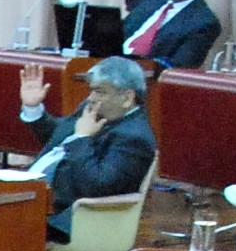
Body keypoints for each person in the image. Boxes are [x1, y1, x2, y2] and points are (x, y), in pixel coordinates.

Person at [14, 54, 156, 238]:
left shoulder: (134, 138)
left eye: (100, 92)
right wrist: (33, 108)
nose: (91, 98)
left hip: (65, 218)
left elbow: (97, 186)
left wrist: (81, 138)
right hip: (34, 198)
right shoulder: (93, 110)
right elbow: (59, 139)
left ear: (127, 97)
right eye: (92, 90)